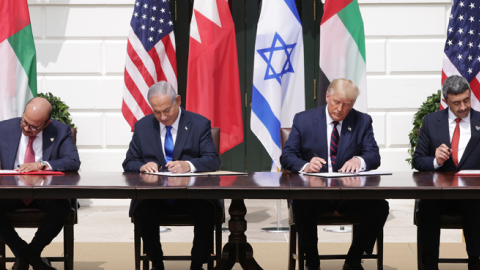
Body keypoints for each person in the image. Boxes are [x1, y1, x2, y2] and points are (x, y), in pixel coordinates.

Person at [280, 78, 389, 270]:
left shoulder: (362, 121)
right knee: (301, 203)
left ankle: (353, 259)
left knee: (379, 207)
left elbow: (374, 156)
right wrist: (305, 165)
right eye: (336, 102)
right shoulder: (303, 119)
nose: (340, 109)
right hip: (315, 193)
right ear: (327, 97)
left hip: (349, 193)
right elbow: (287, 156)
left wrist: (360, 161)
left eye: (346, 105)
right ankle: (311, 260)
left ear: (353, 104)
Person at [123, 81, 221, 270]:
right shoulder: (143, 127)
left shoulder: (199, 124)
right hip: (155, 195)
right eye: (157, 112)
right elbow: (129, 162)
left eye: (167, 110)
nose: (163, 116)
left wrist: (188, 165)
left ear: (178, 100)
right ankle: (156, 263)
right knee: (143, 210)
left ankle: (197, 264)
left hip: (191, 194)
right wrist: (143, 165)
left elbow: (212, 160)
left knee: (207, 211)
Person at [0, 97, 81, 270]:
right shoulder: (3, 129)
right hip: (13, 191)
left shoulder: (60, 130)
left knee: (62, 207)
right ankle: (32, 258)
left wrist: (42, 164)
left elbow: (73, 161)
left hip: (45, 191)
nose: (26, 128)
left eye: (34, 127)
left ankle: (26, 256)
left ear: (46, 124)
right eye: (25, 122)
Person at [413, 75, 480, 270]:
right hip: (439, 193)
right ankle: (429, 265)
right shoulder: (431, 121)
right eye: (456, 103)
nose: (463, 107)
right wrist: (435, 160)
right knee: (426, 207)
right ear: (445, 101)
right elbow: (418, 160)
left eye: (466, 100)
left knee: (475, 206)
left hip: (472, 194)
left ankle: (476, 262)